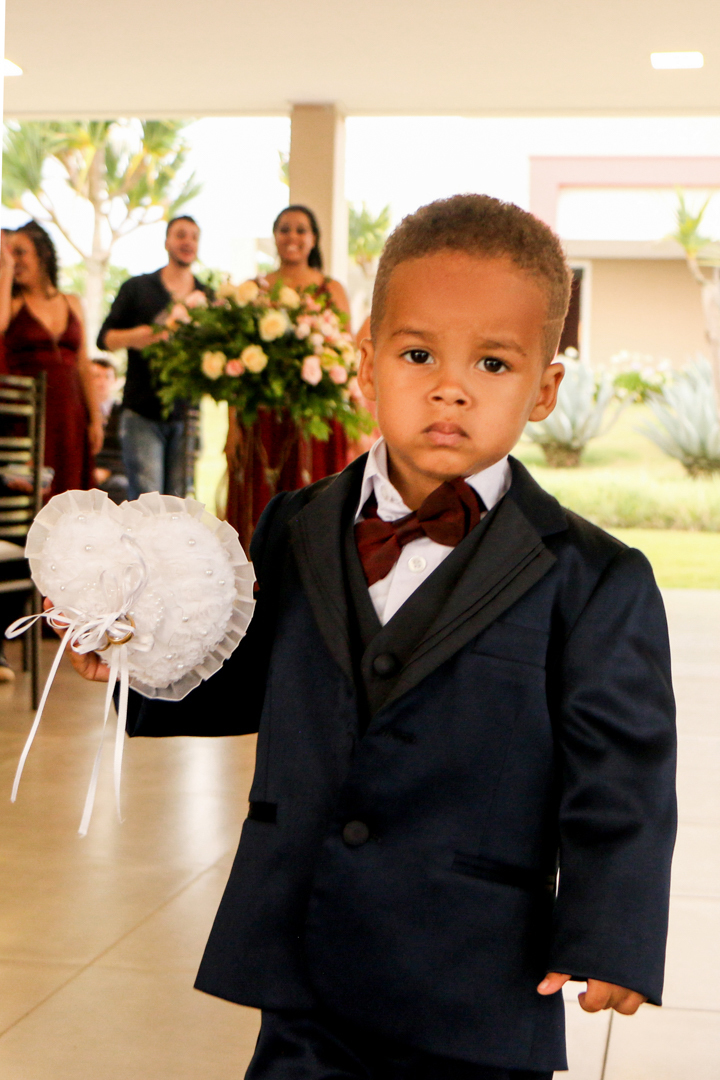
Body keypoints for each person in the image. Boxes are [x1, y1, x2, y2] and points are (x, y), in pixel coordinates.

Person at [67, 195, 677, 1080]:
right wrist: (136, 655)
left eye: (493, 362)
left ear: (544, 390)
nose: (450, 387)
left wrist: (611, 932)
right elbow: (247, 673)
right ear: (366, 366)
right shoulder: (296, 524)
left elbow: (622, 775)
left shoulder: (595, 577)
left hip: (474, 974)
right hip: (303, 949)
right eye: (418, 354)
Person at [225, 206, 353, 540]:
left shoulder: (331, 290)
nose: (292, 237)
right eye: (284, 229)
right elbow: (235, 367)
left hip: (315, 419)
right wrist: (232, 426)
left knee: (313, 505)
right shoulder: (253, 289)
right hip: (261, 420)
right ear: (274, 236)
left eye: (300, 230)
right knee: (258, 507)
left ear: (314, 238)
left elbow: (346, 355)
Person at [97, 216, 210, 500]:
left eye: (194, 237)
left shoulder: (208, 296)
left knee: (179, 505)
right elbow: (105, 339)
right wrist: (141, 336)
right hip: (141, 413)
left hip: (187, 414)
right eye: (181, 235)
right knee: (147, 503)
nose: (188, 242)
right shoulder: (137, 288)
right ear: (166, 242)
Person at [0, 222, 104, 497]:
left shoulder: (72, 302)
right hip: (29, 416)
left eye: (20, 252)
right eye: (7, 254)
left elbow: (83, 364)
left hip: (70, 415)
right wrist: (5, 270)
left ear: (42, 254)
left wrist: (95, 419)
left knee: (73, 494)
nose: (14, 260)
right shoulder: (12, 303)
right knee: (35, 496)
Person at [91, 358, 128, 504]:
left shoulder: (123, 414)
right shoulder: (79, 412)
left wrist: (109, 470)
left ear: (115, 381)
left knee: (120, 485)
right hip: (87, 469)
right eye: (96, 376)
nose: (102, 382)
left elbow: (129, 452)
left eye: (107, 377)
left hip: (115, 472)